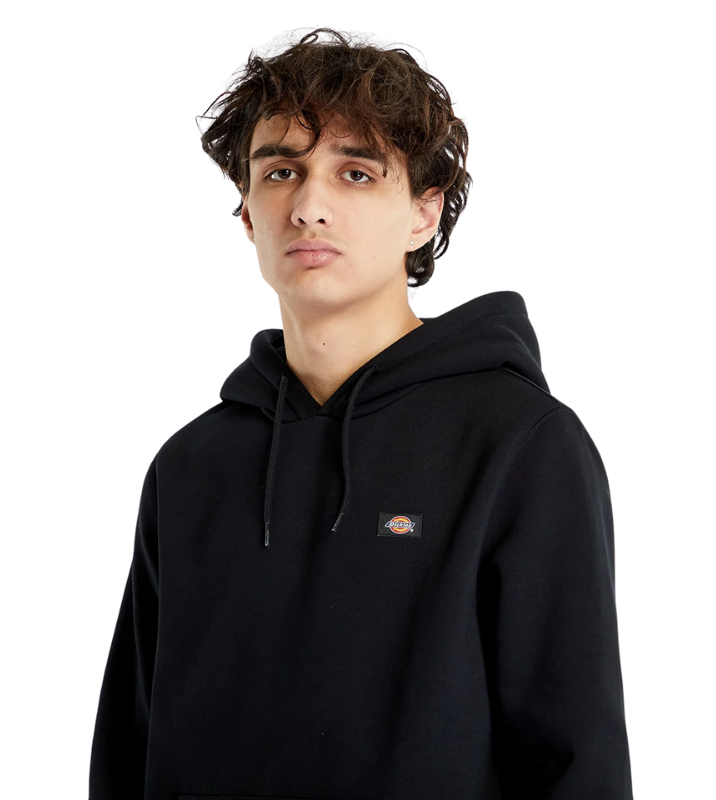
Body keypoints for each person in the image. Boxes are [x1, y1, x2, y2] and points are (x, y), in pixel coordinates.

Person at [88, 27, 634, 799]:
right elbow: (129, 753)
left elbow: (576, 765)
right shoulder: (190, 468)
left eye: (355, 172)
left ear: (423, 213)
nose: (309, 207)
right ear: (247, 214)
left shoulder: (520, 445)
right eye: (281, 172)